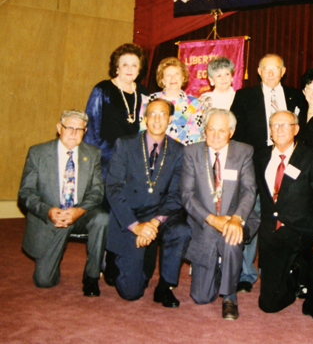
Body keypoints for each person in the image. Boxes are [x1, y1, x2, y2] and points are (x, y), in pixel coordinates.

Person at [230, 53, 308, 293]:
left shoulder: (296, 96)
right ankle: (246, 274)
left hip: (287, 164)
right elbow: (238, 136)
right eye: (266, 68)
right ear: (259, 71)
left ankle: (276, 270)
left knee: (282, 217)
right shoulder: (244, 96)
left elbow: (301, 132)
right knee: (253, 215)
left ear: (283, 71)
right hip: (255, 164)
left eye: (276, 68)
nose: (271, 73)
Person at [105, 99, 191, 306]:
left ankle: (165, 286)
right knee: (131, 292)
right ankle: (115, 256)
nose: (157, 119)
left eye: (162, 114)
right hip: (130, 217)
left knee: (181, 231)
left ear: (170, 119)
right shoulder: (125, 144)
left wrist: (153, 223)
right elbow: (113, 188)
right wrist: (136, 226)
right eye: (152, 114)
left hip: (158, 216)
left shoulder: (179, 151)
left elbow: (175, 195)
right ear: (145, 118)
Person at [254, 110, 313, 323]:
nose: (280, 129)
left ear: (296, 129)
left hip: (303, 231)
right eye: (275, 125)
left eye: (285, 125)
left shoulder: (310, 156)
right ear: (270, 131)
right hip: (273, 235)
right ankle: (295, 275)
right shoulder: (260, 156)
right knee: (269, 305)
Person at [18, 110, 108, 296]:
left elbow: (97, 191)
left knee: (102, 218)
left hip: (79, 214)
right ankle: (50, 260)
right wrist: (49, 211)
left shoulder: (93, 154)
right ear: (59, 128)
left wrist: (79, 210)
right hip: (51, 217)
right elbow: (26, 193)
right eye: (69, 128)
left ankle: (91, 277)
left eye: (79, 129)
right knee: (44, 281)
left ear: (85, 131)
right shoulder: (38, 153)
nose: (74, 133)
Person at [181, 108, 259, 320]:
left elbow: (249, 191)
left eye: (221, 131)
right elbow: (187, 196)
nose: (215, 136)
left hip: (235, 218)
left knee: (232, 238)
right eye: (210, 130)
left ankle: (230, 297)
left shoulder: (243, 151)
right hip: (205, 221)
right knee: (201, 297)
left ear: (231, 132)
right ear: (204, 131)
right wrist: (212, 219)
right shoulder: (191, 152)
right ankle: (219, 268)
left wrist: (236, 218)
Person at [84, 43, 149, 177]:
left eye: (134, 65)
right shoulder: (103, 89)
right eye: (125, 64)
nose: (130, 69)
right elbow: (91, 128)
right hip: (106, 160)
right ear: (117, 67)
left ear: (139, 69)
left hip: (135, 162)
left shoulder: (144, 92)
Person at [139, 57, 204, 146]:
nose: (173, 78)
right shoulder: (149, 100)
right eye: (168, 75)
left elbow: (195, 136)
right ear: (162, 80)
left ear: (183, 77)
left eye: (177, 74)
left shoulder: (195, 103)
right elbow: (143, 129)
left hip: (182, 155)